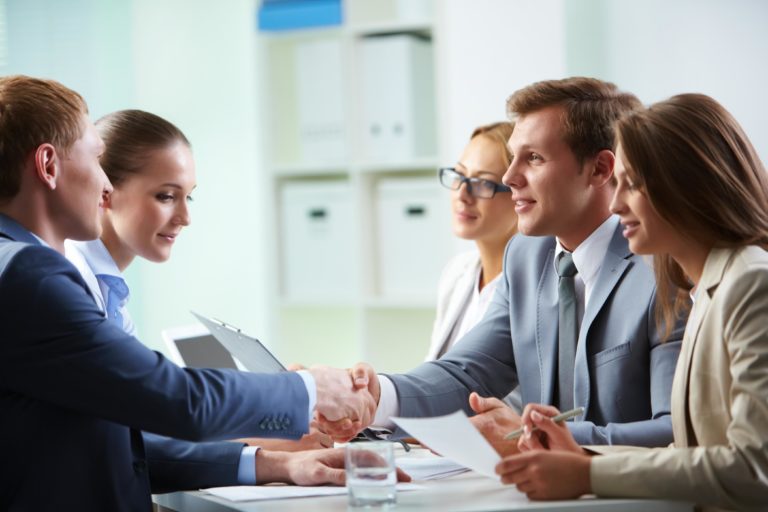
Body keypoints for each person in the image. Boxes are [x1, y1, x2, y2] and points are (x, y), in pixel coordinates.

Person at [0, 75, 378, 511]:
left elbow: (116, 437)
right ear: (48, 166)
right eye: (97, 160)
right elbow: (179, 399)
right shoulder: (31, 275)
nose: (105, 186)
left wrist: (275, 464)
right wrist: (311, 388)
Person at [323, 77, 683, 453]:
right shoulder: (526, 256)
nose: (510, 178)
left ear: (600, 169)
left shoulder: (663, 270)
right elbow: (466, 373)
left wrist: (533, 438)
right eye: (513, 158)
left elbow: (674, 431)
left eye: (534, 158)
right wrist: (373, 395)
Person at [495, 93, 768, 511]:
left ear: (689, 186)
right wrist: (574, 453)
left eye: (632, 185)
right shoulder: (708, 286)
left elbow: (754, 468)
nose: (616, 202)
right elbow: (691, 453)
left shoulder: (751, 284)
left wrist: (587, 473)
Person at [65, 108, 332, 452]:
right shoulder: (72, 285)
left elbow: (142, 421)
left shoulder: (109, 288)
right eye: (166, 196)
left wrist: (269, 412)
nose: (185, 217)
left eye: (187, 196)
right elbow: (139, 424)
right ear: (106, 190)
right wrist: (268, 436)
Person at [431, 121, 521, 411]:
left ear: (520, 192)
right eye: (459, 175)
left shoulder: (534, 285)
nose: (462, 194)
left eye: (482, 183)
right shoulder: (457, 272)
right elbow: (431, 376)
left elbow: (511, 405)